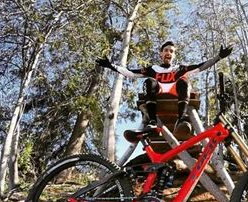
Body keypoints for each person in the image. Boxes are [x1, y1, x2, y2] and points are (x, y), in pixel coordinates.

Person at [96, 41, 233, 135]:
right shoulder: (153, 69)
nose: (168, 53)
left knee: (184, 81)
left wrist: (219, 57)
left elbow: (200, 66)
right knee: (149, 81)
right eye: (166, 50)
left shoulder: (179, 68)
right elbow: (131, 73)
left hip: (175, 91)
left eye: (171, 51)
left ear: (173, 55)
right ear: (161, 53)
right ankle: (153, 121)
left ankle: (181, 118)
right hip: (159, 91)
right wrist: (111, 66)